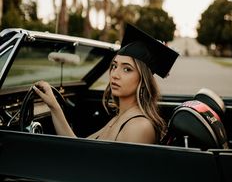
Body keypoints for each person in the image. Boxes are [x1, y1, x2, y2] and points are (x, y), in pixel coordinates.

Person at [34, 23, 179, 144]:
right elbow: (78, 149)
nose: (115, 74)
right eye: (114, 66)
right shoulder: (120, 117)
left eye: (127, 69)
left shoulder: (138, 126)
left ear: (143, 81)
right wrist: (54, 106)